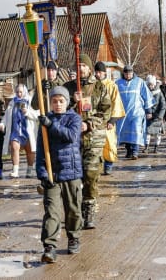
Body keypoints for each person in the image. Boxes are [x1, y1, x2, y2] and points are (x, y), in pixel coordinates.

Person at [63, 53, 111, 229]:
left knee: (91, 174)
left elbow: (105, 111)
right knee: (73, 178)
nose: (80, 69)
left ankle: (89, 208)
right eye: (78, 66)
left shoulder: (99, 87)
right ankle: (75, 210)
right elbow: (58, 109)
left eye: (83, 65)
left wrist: (88, 124)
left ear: (89, 68)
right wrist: (72, 103)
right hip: (71, 140)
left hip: (93, 137)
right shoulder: (67, 88)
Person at [37, 86, 83, 263]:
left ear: (66, 102)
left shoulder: (74, 118)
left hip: (71, 173)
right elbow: (41, 150)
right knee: (51, 212)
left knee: (73, 209)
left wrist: (51, 125)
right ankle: (49, 247)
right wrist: (42, 174)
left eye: (61, 101)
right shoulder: (45, 121)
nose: (57, 104)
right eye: (54, 101)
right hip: (52, 174)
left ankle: (73, 238)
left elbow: (71, 136)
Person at [0, 84, 39, 178]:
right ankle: (15, 171)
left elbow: (38, 114)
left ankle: (29, 170)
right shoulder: (12, 102)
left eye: (21, 92)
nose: (19, 94)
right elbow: (7, 115)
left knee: (30, 151)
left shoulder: (30, 101)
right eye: (17, 92)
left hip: (28, 131)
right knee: (14, 147)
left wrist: (28, 113)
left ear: (24, 91)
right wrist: (2, 123)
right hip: (16, 130)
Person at [116, 65, 155, 159]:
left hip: (136, 112)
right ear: (123, 73)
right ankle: (129, 150)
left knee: (136, 131)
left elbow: (147, 96)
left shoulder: (139, 82)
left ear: (132, 72)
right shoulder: (118, 83)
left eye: (130, 73)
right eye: (126, 73)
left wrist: (148, 111)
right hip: (123, 113)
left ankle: (135, 152)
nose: (128, 75)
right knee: (126, 133)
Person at [94, 61, 125, 175]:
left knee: (109, 142)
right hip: (95, 120)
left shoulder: (112, 86)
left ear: (104, 73)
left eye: (100, 72)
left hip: (108, 120)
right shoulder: (92, 85)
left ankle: (108, 165)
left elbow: (117, 103)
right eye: (96, 72)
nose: (98, 74)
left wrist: (113, 120)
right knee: (96, 144)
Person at [143, 75, 166, 153]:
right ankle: (146, 147)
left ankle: (156, 147)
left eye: (151, 84)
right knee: (147, 133)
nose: (150, 86)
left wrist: (160, 116)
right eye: (149, 84)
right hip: (148, 116)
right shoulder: (145, 92)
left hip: (157, 116)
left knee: (157, 134)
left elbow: (163, 105)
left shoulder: (159, 93)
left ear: (154, 84)